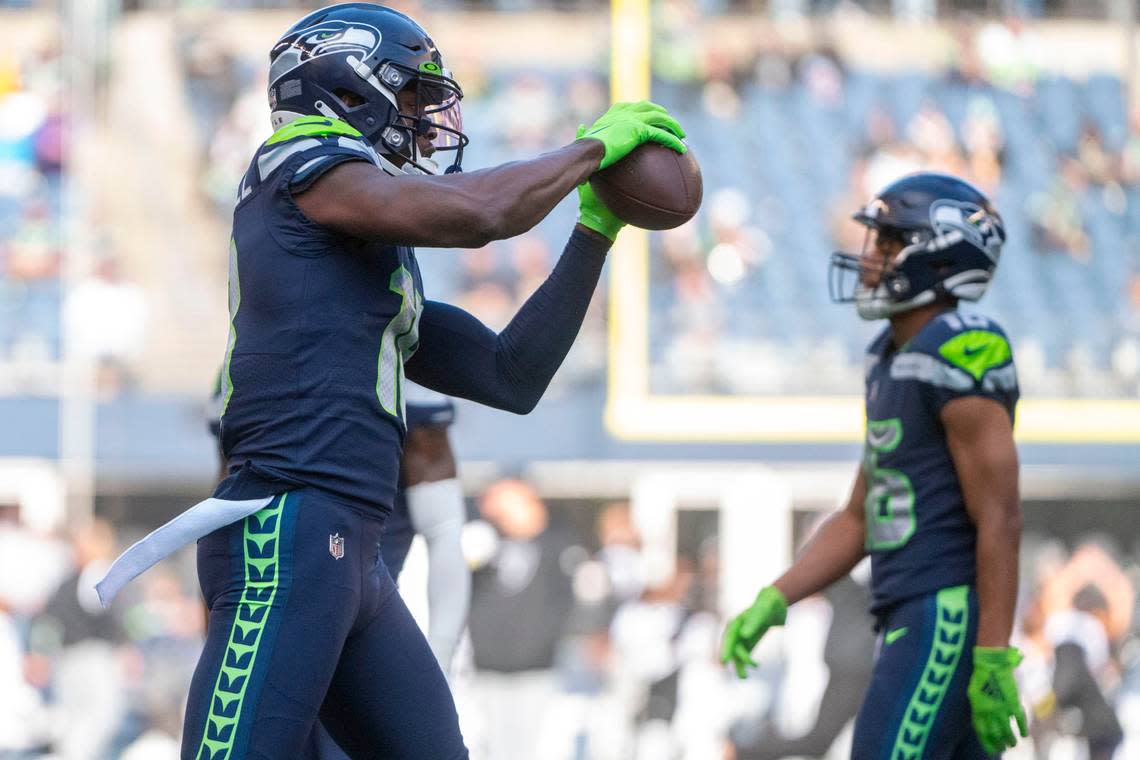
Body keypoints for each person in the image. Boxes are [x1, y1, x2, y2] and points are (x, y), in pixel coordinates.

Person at [98, 4, 687, 759]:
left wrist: (594, 232)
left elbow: (512, 375)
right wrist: (591, 149)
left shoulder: (367, 257)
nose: (423, 116)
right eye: (410, 95)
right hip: (286, 527)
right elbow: (483, 213)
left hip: (354, 545)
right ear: (345, 92)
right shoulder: (297, 162)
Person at [722, 173, 1028, 758]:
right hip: (909, 612)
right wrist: (777, 597)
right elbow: (860, 516)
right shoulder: (889, 357)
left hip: (944, 611)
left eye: (889, 244)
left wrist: (993, 655)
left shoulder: (964, 346)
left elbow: (1000, 517)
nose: (870, 259)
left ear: (940, 258)